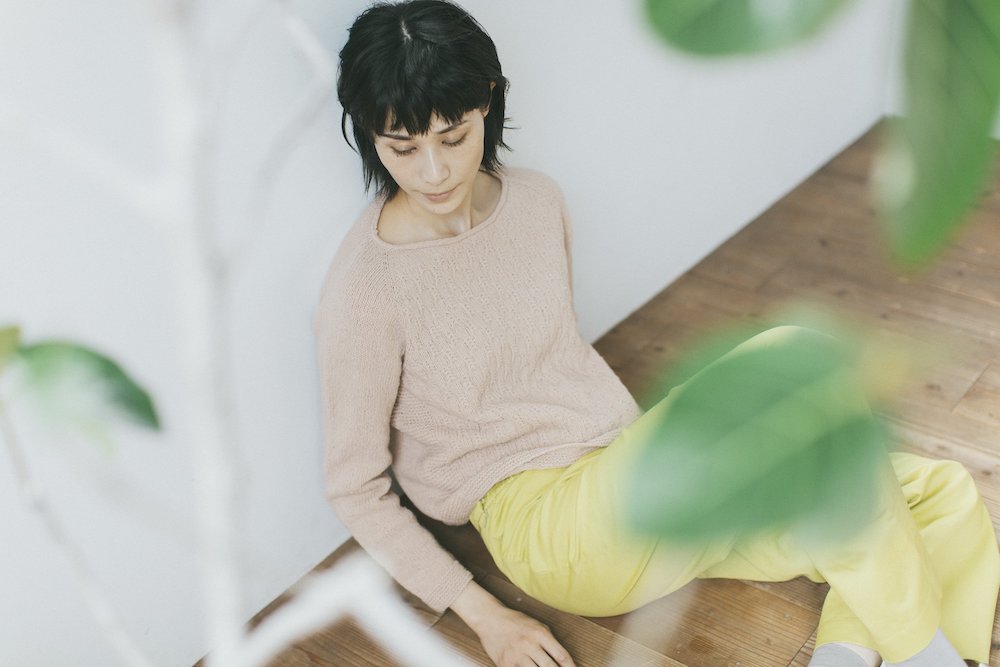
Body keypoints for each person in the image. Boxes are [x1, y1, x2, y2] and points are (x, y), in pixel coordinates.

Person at [314, 1, 1000, 665]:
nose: (433, 171)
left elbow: (549, 356)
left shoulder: (537, 201)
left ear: (486, 102)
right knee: (798, 361)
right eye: (402, 147)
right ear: (370, 134)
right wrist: (485, 613)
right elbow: (354, 487)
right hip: (555, 532)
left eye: (453, 137)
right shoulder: (367, 288)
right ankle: (926, 657)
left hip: (639, 476)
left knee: (935, 493)